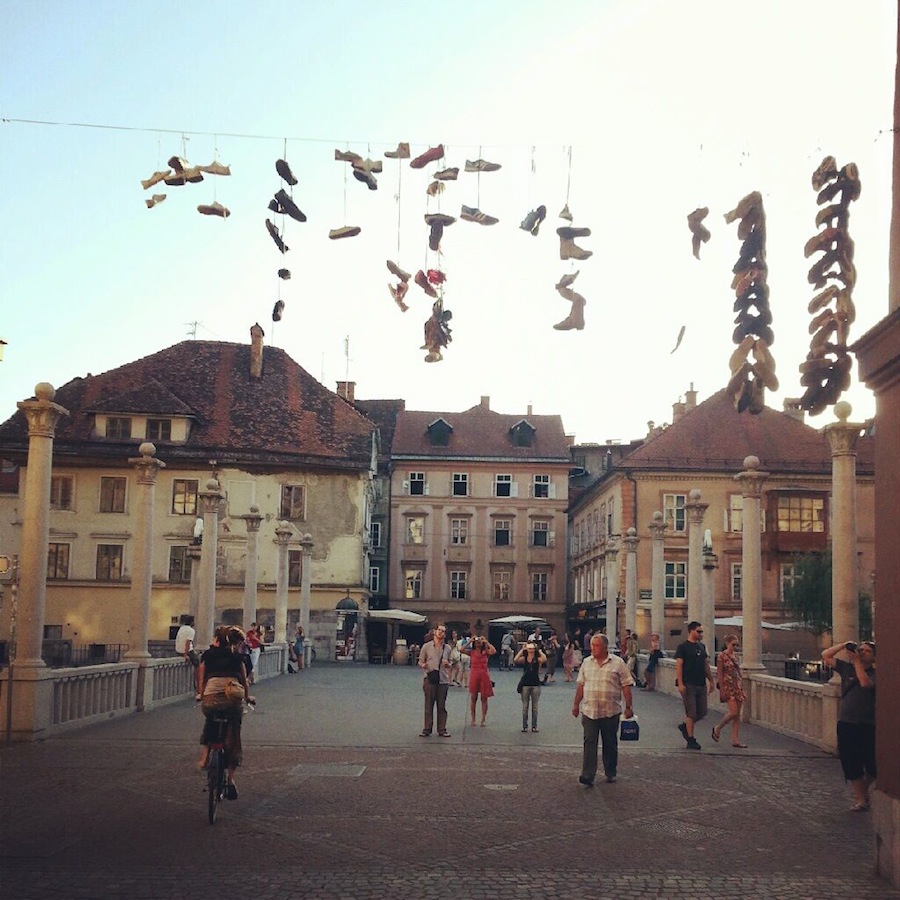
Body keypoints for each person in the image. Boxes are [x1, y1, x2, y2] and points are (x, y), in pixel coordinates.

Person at [197, 625, 253, 799]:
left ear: (217, 639)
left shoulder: (207, 655)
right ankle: (230, 780)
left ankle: (205, 756)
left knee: (210, 719)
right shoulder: (238, 657)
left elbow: (202, 678)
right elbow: (244, 682)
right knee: (234, 735)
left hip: (210, 700)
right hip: (232, 702)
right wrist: (248, 698)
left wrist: (200, 694)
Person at [572, 633, 634, 785]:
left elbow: (626, 685)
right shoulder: (586, 662)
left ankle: (610, 771)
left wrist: (629, 707)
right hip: (589, 710)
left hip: (610, 711)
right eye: (592, 645)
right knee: (589, 742)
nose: (593, 648)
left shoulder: (618, 663)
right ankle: (587, 775)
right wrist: (575, 704)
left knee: (610, 742)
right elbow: (581, 685)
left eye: (597, 645)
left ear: (605, 647)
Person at [822, 639, 877, 811]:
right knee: (851, 761)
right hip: (847, 722)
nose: (861, 652)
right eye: (859, 649)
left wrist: (857, 663)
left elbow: (865, 683)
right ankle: (861, 799)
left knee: (873, 764)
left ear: (875, 657)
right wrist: (844, 645)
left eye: (866, 651)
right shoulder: (847, 668)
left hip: (868, 723)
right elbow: (825, 655)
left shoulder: (877, 673)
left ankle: (864, 791)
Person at [674, 621, 715, 750]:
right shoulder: (683, 647)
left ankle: (685, 726)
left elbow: (705, 665)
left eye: (701, 631)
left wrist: (711, 680)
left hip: (700, 683)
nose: (701, 634)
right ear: (691, 631)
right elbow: (679, 665)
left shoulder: (702, 647)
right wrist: (680, 683)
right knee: (691, 713)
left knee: (702, 711)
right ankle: (691, 739)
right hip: (689, 683)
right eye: (698, 631)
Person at [712, 632, 747, 747]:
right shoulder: (722, 656)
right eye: (733, 644)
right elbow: (720, 673)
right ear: (727, 644)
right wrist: (722, 689)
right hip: (728, 686)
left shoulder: (735, 656)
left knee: (737, 716)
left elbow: (738, 672)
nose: (735, 647)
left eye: (737, 645)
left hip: (737, 685)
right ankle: (718, 727)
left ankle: (735, 740)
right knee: (733, 712)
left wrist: (743, 687)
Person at [418, 624, 452, 737]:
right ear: (434, 631)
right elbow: (420, 661)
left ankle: (442, 729)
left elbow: (451, 662)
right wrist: (423, 665)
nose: (440, 632)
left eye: (443, 631)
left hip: (443, 680)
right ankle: (427, 728)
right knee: (428, 705)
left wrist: (448, 664)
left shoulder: (447, 648)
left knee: (441, 706)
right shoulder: (426, 647)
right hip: (430, 678)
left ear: (445, 634)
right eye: (439, 630)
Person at [461, 634, 497, 726]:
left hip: (484, 675)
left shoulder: (486, 652)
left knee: (484, 698)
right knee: (473, 698)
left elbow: (493, 651)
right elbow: (461, 650)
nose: (478, 642)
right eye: (477, 641)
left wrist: (486, 642)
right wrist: (469, 641)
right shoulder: (471, 652)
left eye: (479, 641)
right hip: (474, 674)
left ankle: (483, 719)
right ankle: (473, 719)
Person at [515, 641, 547, 732]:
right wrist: (522, 649)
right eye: (529, 649)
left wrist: (538, 650)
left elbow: (544, 659)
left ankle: (534, 726)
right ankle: (525, 726)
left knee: (535, 708)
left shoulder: (537, 658)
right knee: (525, 707)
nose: (530, 650)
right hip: (525, 684)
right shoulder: (524, 658)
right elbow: (516, 659)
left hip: (535, 684)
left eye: (532, 648)